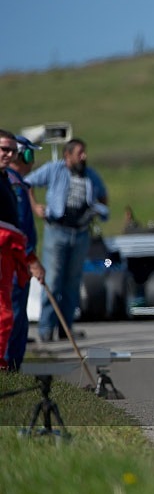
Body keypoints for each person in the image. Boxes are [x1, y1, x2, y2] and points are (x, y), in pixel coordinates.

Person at [25, 137, 109, 342]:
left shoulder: (90, 175)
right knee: (52, 281)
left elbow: (103, 195)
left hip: (80, 233)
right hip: (57, 231)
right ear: (67, 155)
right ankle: (46, 329)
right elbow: (27, 183)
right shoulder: (55, 170)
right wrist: (35, 206)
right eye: (79, 152)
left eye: (84, 152)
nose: (84, 156)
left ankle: (66, 329)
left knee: (72, 284)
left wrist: (97, 209)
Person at [5, 135, 46, 369]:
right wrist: (31, 259)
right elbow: (19, 228)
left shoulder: (16, 183)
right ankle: (9, 366)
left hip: (19, 260)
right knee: (14, 315)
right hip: (17, 262)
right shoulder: (16, 186)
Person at [0, 130, 36, 367]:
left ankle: (7, 368)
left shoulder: (6, 180)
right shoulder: (12, 182)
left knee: (8, 314)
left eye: (13, 151)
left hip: (10, 254)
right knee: (6, 312)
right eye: (5, 149)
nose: (10, 155)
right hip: (6, 250)